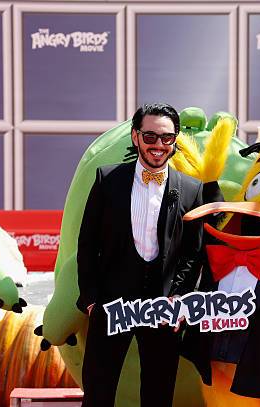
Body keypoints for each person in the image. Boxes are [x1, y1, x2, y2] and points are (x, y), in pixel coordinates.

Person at [76, 103, 208, 407]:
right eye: (150, 137)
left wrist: (181, 297)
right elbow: (87, 243)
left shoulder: (191, 189)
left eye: (166, 138)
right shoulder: (107, 179)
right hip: (111, 304)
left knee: (158, 394)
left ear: (175, 141)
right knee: (98, 392)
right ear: (136, 137)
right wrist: (93, 300)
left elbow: (194, 252)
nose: (158, 146)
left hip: (163, 308)